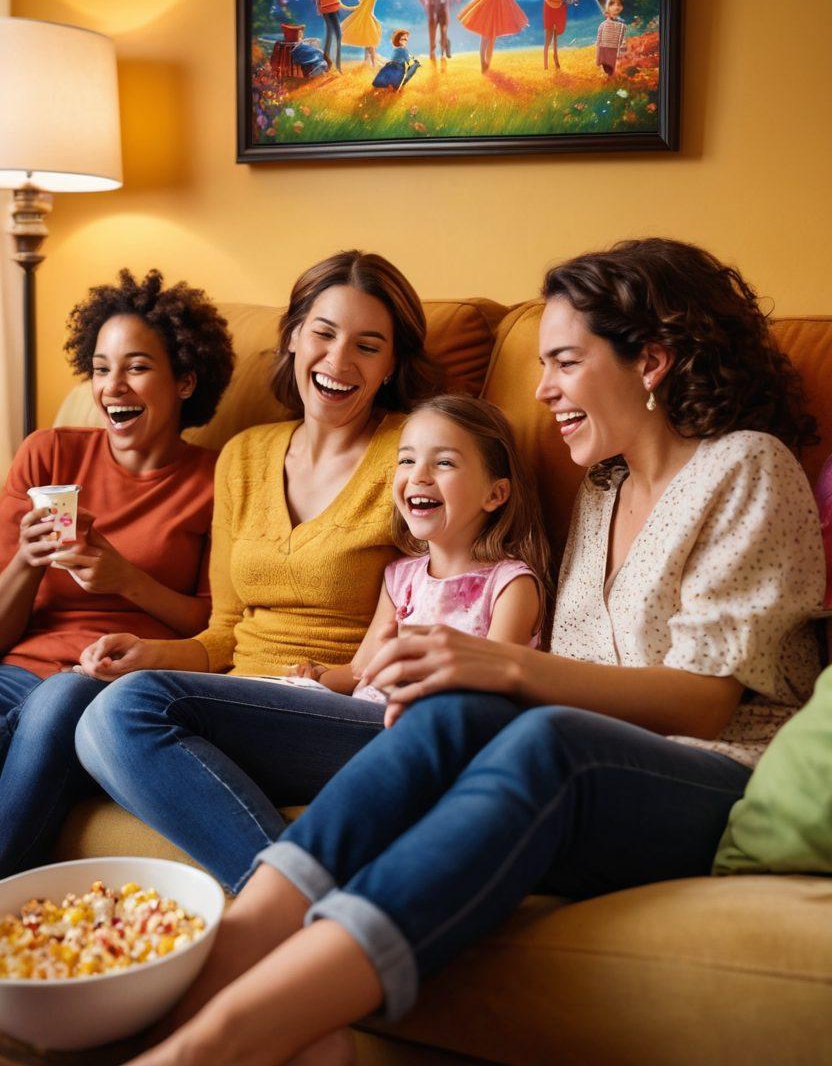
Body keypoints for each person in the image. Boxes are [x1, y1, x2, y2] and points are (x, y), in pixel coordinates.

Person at [119, 238, 825, 1066]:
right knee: (466, 708)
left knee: (541, 734)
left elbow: (707, 701)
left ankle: (223, 1041)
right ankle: (232, 957)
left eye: (564, 362)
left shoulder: (745, 466)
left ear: (653, 361)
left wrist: (507, 665)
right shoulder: (601, 490)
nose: (543, 390)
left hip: (713, 772)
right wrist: (472, 680)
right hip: (583, 761)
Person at [75, 251, 440, 895]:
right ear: (294, 336)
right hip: (244, 704)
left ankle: (300, 911)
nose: (337, 361)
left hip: (351, 714)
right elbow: (226, 632)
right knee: (83, 706)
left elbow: (445, 597)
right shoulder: (245, 455)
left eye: (367, 345)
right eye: (323, 334)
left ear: (391, 366)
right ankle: (307, 900)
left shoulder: (416, 452)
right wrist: (147, 654)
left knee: (122, 714)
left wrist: (347, 679)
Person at [0, 269, 233, 876]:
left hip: (102, 686)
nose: (111, 387)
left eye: (135, 367)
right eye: (101, 369)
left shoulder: (217, 479)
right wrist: (27, 559)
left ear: (185, 380)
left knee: (62, 700)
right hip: (17, 673)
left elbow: (213, 624)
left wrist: (125, 578)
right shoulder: (47, 453)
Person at [293, 393, 549, 704]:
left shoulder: (510, 585)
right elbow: (360, 672)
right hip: (359, 714)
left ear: (496, 494)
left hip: (413, 731)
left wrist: (405, 676)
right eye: (407, 460)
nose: (418, 476)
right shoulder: (400, 578)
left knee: (214, 707)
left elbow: (493, 693)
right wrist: (314, 678)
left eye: (444, 463)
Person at [340, 0, 383, 68]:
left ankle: (374, 64)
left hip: (368, 20)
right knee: (367, 43)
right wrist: (344, 7)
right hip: (362, 19)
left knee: (371, 44)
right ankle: (367, 63)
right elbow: (358, 8)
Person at [596, 0, 627, 76]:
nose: (616, 7)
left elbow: (623, 34)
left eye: (619, 4)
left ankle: (612, 76)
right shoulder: (604, 24)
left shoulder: (622, 22)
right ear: (608, 7)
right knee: (607, 66)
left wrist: (623, 43)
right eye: (613, 4)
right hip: (605, 47)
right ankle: (608, 76)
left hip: (616, 47)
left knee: (615, 64)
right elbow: (600, 38)